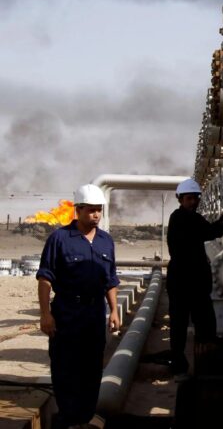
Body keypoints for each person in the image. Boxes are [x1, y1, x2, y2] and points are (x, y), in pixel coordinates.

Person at [37, 184, 120, 429]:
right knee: (65, 367)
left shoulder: (106, 241)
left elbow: (110, 280)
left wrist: (114, 311)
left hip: (94, 314)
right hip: (67, 313)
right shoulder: (60, 239)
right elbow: (45, 279)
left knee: (92, 367)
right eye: (91, 210)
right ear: (78, 210)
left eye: (99, 210)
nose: (96, 214)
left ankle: (85, 417)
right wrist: (45, 314)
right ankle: (68, 419)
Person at [166, 178, 223, 374]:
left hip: (194, 281)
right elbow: (209, 231)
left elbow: (209, 228)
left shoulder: (191, 217)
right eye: (189, 198)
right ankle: (179, 363)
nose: (193, 202)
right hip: (183, 281)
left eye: (196, 198)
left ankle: (202, 360)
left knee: (204, 321)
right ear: (180, 199)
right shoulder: (180, 218)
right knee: (180, 323)